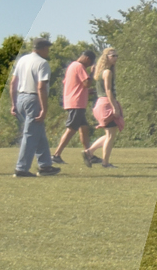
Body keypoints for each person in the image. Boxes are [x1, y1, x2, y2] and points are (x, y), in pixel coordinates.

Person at [8, 37, 58, 176]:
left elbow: (13, 83)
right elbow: (41, 87)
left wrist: (13, 103)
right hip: (33, 98)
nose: (48, 51)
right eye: (47, 48)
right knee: (30, 134)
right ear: (42, 48)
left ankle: (45, 165)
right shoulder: (43, 63)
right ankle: (21, 168)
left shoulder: (22, 60)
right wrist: (44, 108)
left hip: (21, 97)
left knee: (38, 133)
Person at [52, 48, 96, 164]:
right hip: (77, 103)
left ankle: (88, 154)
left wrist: (88, 92)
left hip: (74, 101)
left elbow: (75, 85)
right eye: (90, 63)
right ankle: (56, 154)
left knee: (84, 129)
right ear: (87, 59)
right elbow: (86, 83)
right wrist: (92, 73)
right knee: (71, 129)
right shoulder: (79, 66)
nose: (89, 66)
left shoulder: (71, 66)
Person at [85, 46, 122, 169]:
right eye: (112, 56)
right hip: (106, 103)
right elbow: (108, 90)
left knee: (109, 134)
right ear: (106, 57)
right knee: (111, 135)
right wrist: (114, 106)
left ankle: (89, 152)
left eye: (116, 56)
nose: (115, 58)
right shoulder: (107, 72)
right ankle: (105, 163)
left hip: (100, 103)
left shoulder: (101, 71)